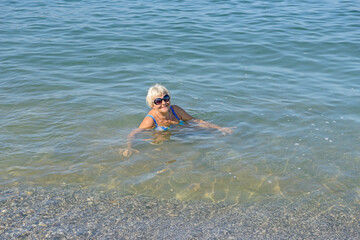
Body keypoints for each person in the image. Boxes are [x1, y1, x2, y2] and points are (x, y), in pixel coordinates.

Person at [120, 84, 234, 157]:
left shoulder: (176, 110)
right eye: (158, 101)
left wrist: (219, 128)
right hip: (164, 142)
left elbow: (195, 121)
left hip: (181, 133)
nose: (164, 103)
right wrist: (129, 147)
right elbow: (134, 133)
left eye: (166, 98)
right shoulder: (150, 120)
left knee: (212, 137)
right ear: (152, 105)